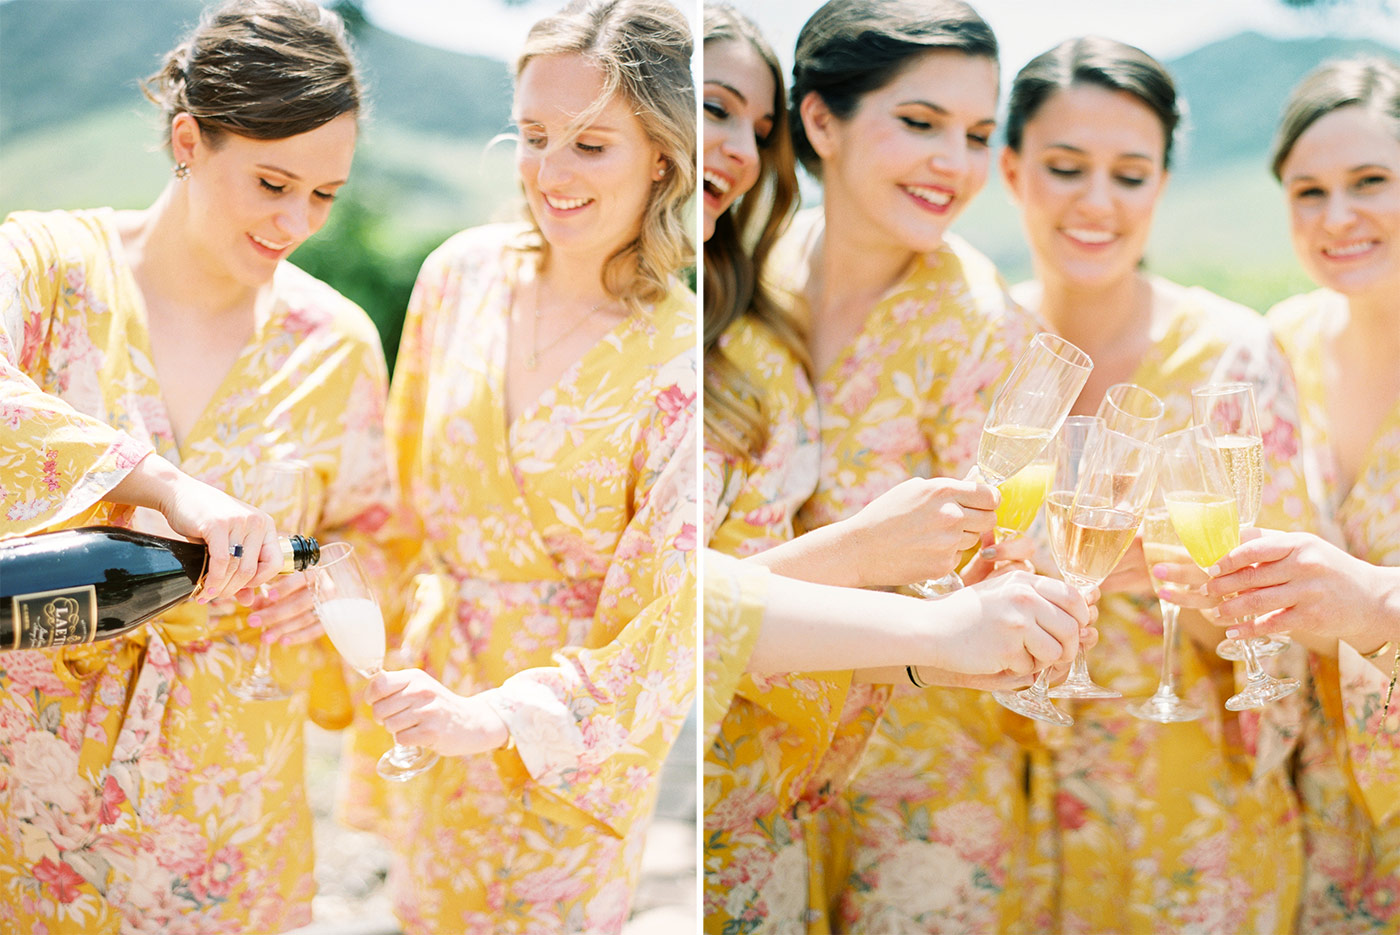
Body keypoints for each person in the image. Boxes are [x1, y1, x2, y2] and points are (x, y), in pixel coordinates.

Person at [696, 9, 1091, 929]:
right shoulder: (741, 282)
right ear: (821, 122)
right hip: (742, 742)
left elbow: (1014, 574)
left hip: (924, 767)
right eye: (920, 122)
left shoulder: (985, 325)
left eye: (977, 135)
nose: (954, 163)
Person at [0, 1, 390, 932]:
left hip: (227, 825)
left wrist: (326, 591)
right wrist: (164, 484)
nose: (297, 220)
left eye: (324, 195)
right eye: (271, 181)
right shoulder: (46, 263)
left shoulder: (337, 344)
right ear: (189, 138)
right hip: (25, 795)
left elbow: (376, 543)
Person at [350, 1, 698, 932]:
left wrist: (503, 718)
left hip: (573, 741)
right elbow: (395, 504)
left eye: (592, 144)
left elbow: (670, 623)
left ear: (661, 152)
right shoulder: (456, 276)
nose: (551, 173)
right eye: (535, 135)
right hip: (431, 697)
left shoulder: (682, 355)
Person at [999, 36, 1319, 933]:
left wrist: (1194, 580)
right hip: (1009, 812)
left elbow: (1291, 614)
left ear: (1163, 186)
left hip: (1191, 807)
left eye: (1130, 174)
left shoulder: (1232, 354)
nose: (1098, 203)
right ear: (1013, 170)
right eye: (1066, 167)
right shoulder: (980, 343)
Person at [1195, 55, 1400, 932]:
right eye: (1308, 191)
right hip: (1310, 809)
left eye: (1370, 181)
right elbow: (1228, 609)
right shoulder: (1268, 355)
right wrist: (1195, 593)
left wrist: (1372, 603)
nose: (1337, 216)